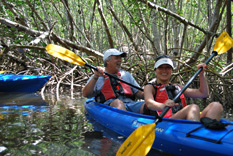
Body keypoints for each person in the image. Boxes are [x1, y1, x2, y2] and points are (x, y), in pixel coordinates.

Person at [143, 55, 223, 121]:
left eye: (167, 67)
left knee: (216, 106)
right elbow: (149, 103)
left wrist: (201, 74)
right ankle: (194, 136)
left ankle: (208, 135)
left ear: (171, 70)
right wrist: (163, 105)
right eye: (161, 68)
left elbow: (203, 93)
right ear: (155, 70)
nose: (164, 70)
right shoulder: (150, 87)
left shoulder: (178, 87)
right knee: (193, 107)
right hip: (166, 121)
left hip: (183, 119)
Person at [82, 48, 144, 113]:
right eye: (117, 58)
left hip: (131, 104)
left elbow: (138, 92)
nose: (120, 60)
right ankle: (127, 121)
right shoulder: (98, 77)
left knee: (146, 104)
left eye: (120, 58)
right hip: (110, 106)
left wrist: (149, 95)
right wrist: (96, 76)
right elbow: (85, 94)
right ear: (107, 61)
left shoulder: (126, 75)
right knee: (117, 103)